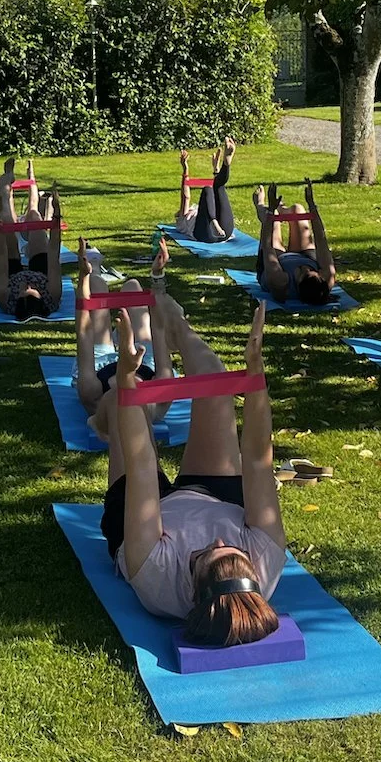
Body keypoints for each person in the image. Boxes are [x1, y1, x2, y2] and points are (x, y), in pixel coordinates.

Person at [101, 274, 286, 648]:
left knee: (116, 409)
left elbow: (141, 466)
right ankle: (177, 326)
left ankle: (108, 414)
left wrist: (125, 381)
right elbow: (257, 459)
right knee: (216, 381)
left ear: (192, 591)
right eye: (231, 546)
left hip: (142, 521)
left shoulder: (158, 579)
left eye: (206, 553)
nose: (218, 538)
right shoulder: (266, 560)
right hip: (213, 498)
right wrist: (254, 380)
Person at [75, 234, 176, 431]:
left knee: (96, 284)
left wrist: (84, 276)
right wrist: (157, 277)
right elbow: (160, 328)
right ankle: (95, 270)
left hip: (100, 362)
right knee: (133, 286)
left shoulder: (92, 392)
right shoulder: (161, 391)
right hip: (144, 359)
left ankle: (94, 266)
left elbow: (84, 331)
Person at [0, 156, 65, 321]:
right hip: (42, 273)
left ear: (17, 297)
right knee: (34, 217)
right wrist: (56, 218)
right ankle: (6, 191)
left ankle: (4, 194)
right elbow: (53, 253)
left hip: (12, 277)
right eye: (33, 288)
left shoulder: (5, 297)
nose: (29, 283)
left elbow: (1, 256)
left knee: (6, 222)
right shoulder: (52, 294)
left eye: (25, 288)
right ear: (42, 296)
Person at [252, 180, 337, 305]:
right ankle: (282, 207)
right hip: (304, 255)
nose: (305, 269)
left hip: (278, 260)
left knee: (272, 219)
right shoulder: (327, 277)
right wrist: (312, 205)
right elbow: (321, 239)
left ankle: (261, 205)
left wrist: (270, 209)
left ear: (298, 284)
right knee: (298, 209)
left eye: (303, 273)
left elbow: (267, 244)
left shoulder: (280, 281)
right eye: (311, 271)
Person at [169, 138, 238, 244]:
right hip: (210, 234)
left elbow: (188, 197)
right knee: (210, 189)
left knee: (215, 188)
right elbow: (185, 197)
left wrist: (216, 170)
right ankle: (213, 222)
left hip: (219, 231)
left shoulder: (189, 217)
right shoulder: (181, 220)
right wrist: (185, 170)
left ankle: (226, 164)